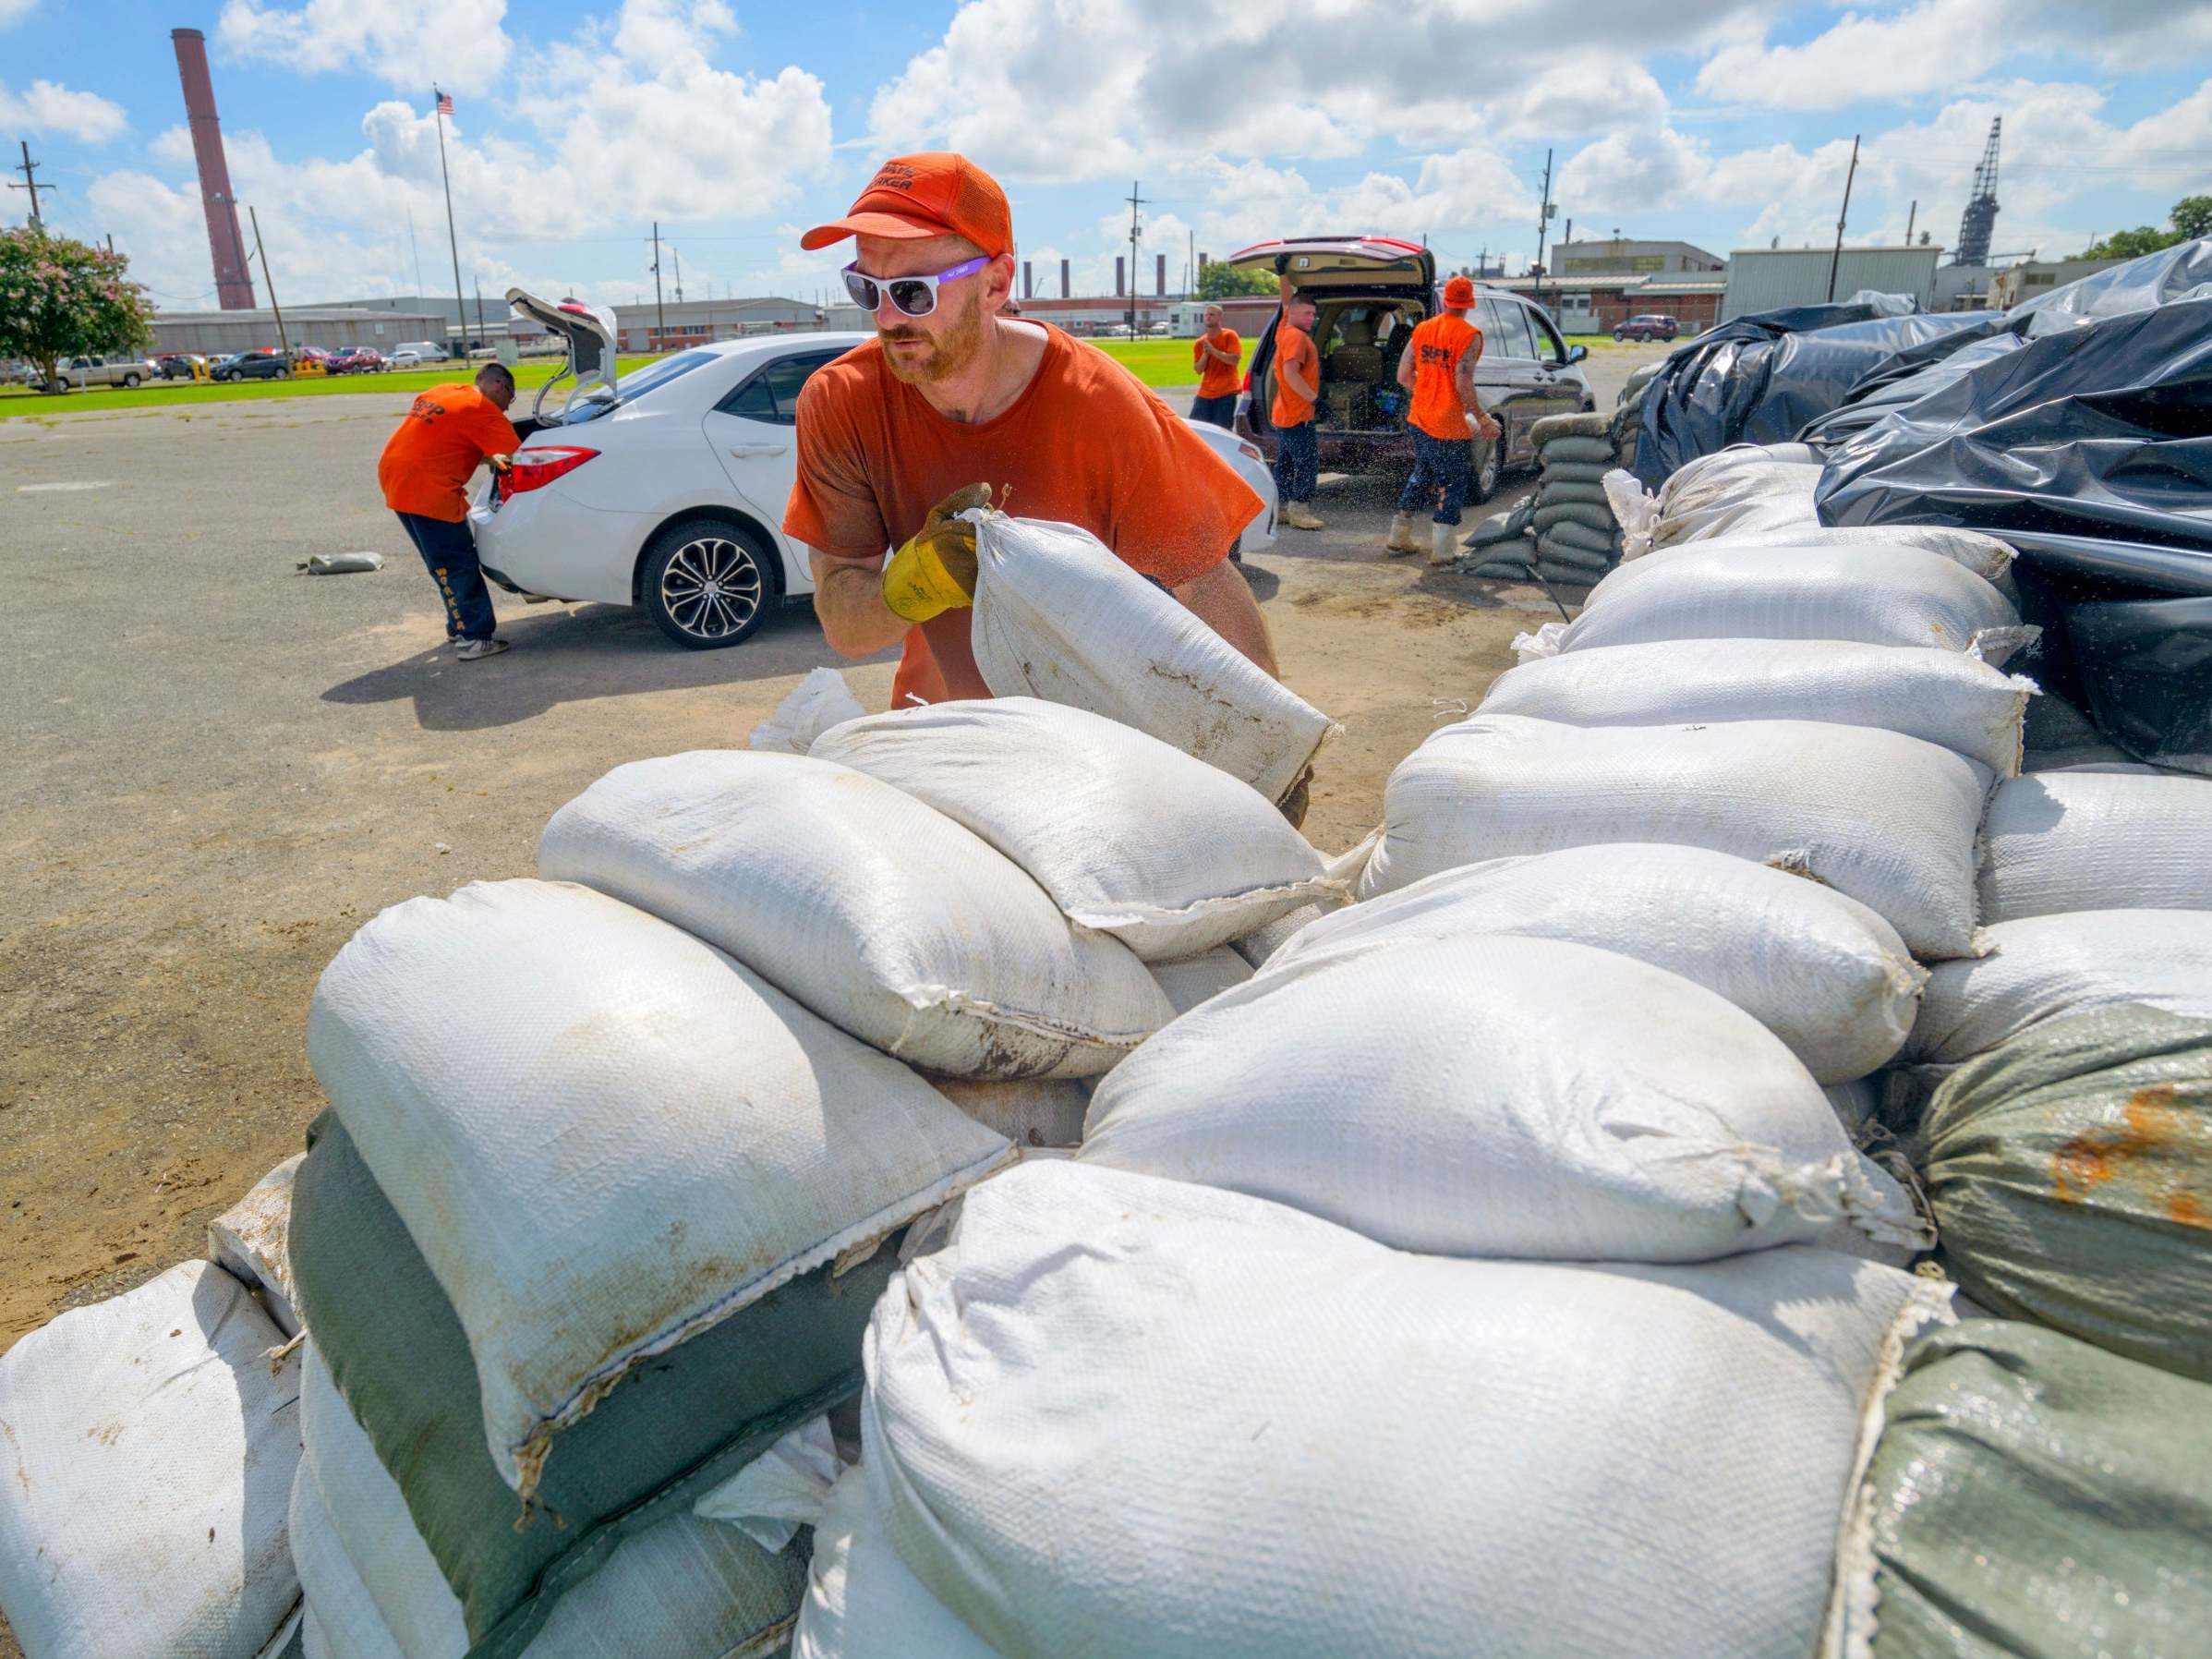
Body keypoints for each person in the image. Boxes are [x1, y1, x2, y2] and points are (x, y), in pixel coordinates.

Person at [782, 151, 1278, 719]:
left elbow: (1203, 578)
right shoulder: (841, 401)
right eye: (866, 290)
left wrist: (1272, 740)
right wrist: (919, 580)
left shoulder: (1097, 403)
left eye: (914, 292)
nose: (889, 318)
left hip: (1090, 744)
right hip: (942, 729)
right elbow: (846, 626)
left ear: (996, 284)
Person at [377, 362, 523, 660]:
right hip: (428, 490)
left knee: (440, 563)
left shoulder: (445, 391)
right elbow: (519, 456)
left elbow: (445, 439)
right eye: (511, 399)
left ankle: (459, 626)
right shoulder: (485, 410)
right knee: (457, 562)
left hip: (395, 478)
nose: (507, 409)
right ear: (499, 387)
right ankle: (474, 638)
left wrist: (483, 458)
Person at [1385, 274, 1501, 566]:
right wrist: (1483, 417)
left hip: (1419, 418)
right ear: (1468, 303)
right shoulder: (1469, 335)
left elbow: (1402, 376)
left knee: (1422, 473)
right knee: (1453, 482)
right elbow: (1463, 381)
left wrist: (1426, 393)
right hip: (1448, 424)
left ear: (1446, 300)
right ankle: (1443, 550)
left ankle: (1399, 536)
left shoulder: (1422, 330)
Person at [1269, 264, 1323, 531]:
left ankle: (1280, 511)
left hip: (1284, 413)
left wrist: (1282, 273)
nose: (1312, 317)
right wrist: (1316, 399)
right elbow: (1291, 373)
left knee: (1286, 464)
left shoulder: (1284, 329)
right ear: (1295, 314)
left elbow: (1286, 301)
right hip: (1298, 414)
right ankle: (1300, 511)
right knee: (1307, 463)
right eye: (1308, 313)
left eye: (1314, 314)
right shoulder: (1297, 338)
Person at [1189, 304, 1241, 429]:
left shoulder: (1230, 335)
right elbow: (1198, 369)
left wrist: (1214, 351)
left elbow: (1234, 360)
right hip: (1205, 392)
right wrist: (1206, 355)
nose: (1208, 317)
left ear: (1220, 317)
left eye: (1212, 315)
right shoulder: (1200, 343)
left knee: (1222, 429)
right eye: (1206, 315)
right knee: (1197, 428)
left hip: (1226, 391)